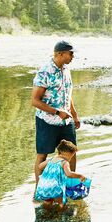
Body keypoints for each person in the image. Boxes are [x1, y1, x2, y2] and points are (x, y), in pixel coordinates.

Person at [32, 40, 80, 183]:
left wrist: (75, 116)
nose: (73, 56)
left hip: (66, 121)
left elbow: (67, 95)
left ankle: (70, 185)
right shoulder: (45, 72)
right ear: (60, 54)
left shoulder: (66, 70)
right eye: (70, 53)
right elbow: (34, 100)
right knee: (42, 155)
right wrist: (57, 112)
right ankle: (38, 188)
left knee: (72, 152)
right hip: (47, 121)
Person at [35, 140, 89, 210]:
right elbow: (69, 174)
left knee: (48, 202)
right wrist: (80, 176)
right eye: (71, 156)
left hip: (44, 186)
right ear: (67, 153)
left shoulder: (52, 159)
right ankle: (60, 215)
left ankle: (46, 214)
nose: (70, 158)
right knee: (61, 203)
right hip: (56, 188)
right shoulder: (64, 162)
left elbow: (40, 166)